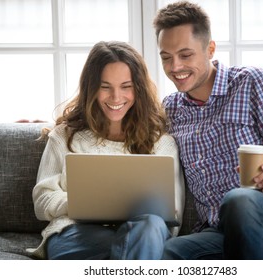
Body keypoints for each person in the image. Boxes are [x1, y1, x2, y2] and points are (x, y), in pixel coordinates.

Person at [153, 1, 263, 259]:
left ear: (210, 49)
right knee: (167, 252)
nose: (175, 67)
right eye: (166, 58)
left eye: (186, 55)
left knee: (239, 199)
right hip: (221, 231)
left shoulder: (253, 82)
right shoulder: (171, 108)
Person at [29, 41, 185, 260]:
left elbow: (172, 212)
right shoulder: (64, 136)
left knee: (150, 228)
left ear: (138, 89)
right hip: (76, 234)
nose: (116, 97)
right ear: (91, 88)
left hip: (142, 234)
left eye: (126, 86)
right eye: (105, 87)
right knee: (141, 247)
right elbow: (42, 200)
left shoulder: (160, 143)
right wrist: (84, 203)